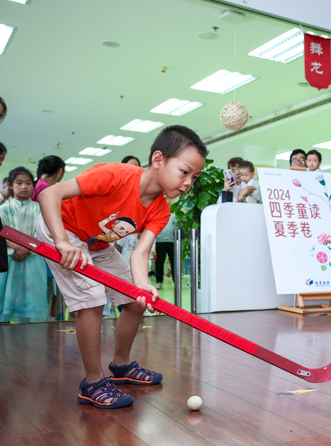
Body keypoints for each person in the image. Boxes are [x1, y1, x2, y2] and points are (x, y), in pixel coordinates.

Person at [37, 125, 207, 408]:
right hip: (63, 229)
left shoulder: (161, 209)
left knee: (135, 300)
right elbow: (48, 195)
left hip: (98, 242)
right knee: (91, 298)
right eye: (184, 171)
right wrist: (62, 242)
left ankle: (121, 366)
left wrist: (141, 285)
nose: (189, 182)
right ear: (158, 160)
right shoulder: (116, 175)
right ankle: (92, 382)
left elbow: (140, 254)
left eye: (195, 176)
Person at [0, 167, 48, 323]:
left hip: (34, 259)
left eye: (28, 183)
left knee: (32, 300)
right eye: (19, 183)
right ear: (10, 185)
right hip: (9, 259)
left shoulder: (40, 209)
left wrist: (26, 249)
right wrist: (15, 247)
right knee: (6, 298)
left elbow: (42, 233)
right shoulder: (2, 209)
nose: (24, 187)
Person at [154, 212, 177, 290]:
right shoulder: (158, 214)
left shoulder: (175, 215)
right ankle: (159, 282)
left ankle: (176, 282)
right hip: (160, 241)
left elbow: (180, 226)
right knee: (159, 262)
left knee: (174, 262)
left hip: (173, 241)